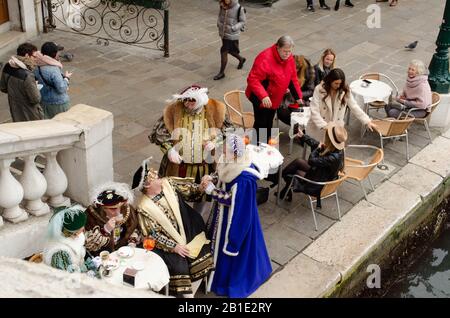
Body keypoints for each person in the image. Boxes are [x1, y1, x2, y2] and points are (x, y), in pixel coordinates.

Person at [132, 157, 214, 297]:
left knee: (202, 253)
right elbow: (152, 234)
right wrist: (174, 246)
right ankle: (187, 296)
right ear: (147, 185)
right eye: (156, 177)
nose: (160, 177)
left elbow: (190, 191)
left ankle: (192, 293)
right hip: (166, 244)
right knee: (180, 266)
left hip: (188, 226)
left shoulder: (168, 182)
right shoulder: (143, 207)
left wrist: (201, 187)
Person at [202, 134, 272, 298]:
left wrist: (212, 190)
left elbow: (234, 203)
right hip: (222, 216)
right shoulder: (230, 161)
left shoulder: (244, 179)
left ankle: (226, 281)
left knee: (229, 249)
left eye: (226, 148)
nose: (223, 150)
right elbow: (222, 174)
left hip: (234, 219)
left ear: (235, 153)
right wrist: (211, 178)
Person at [149, 84, 227, 186]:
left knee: (203, 193)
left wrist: (216, 142)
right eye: (185, 100)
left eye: (192, 101)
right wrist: (169, 150)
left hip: (205, 167)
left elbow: (228, 132)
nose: (187, 104)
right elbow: (160, 135)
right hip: (180, 166)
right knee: (176, 193)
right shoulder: (173, 110)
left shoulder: (216, 110)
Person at [246, 35, 303, 142]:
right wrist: (263, 95)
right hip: (261, 97)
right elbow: (253, 79)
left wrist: (298, 96)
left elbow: (292, 78)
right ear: (278, 47)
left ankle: (264, 144)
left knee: (269, 122)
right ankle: (256, 147)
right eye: (285, 51)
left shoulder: (289, 58)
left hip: (274, 98)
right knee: (261, 123)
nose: (287, 54)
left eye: (289, 51)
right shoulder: (265, 58)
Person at [276, 123, 347, 206]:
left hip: (318, 185)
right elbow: (316, 144)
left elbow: (311, 160)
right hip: (321, 175)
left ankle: (280, 183)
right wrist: (303, 136)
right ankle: (281, 184)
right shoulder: (337, 150)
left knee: (293, 173)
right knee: (298, 161)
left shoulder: (332, 158)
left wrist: (317, 149)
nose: (325, 135)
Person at [307, 68, 377, 142]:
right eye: (336, 83)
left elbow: (354, 106)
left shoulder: (345, 90)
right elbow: (314, 110)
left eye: (340, 83)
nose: (338, 86)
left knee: (332, 151)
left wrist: (367, 121)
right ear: (330, 81)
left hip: (336, 128)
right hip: (320, 128)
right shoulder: (319, 89)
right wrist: (325, 126)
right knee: (317, 150)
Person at [84, 182, 140, 255]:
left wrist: (132, 243)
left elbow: (134, 227)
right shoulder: (91, 216)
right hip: (104, 255)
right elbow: (89, 245)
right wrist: (105, 230)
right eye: (112, 209)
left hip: (124, 252)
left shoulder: (127, 210)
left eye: (120, 207)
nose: (118, 212)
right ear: (102, 208)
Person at [43, 205, 97, 274]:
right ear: (72, 233)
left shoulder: (77, 235)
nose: (82, 231)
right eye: (80, 230)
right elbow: (65, 276)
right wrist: (86, 269)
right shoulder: (60, 253)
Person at [0, 43, 43, 122]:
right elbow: (36, 99)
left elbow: (3, 88)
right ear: (27, 56)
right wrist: (35, 88)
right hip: (30, 112)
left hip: (15, 108)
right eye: (34, 56)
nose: (36, 59)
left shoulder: (7, 66)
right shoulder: (28, 75)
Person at [34, 41, 72, 119]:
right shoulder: (53, 69)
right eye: (57, 52)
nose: (59, 53)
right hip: (58, 103)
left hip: (44, 101)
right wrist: (66, 78)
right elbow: (61, 88)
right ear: (54, 54)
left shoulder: (37, 65)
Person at [277, 54, 316, 126]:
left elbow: (310, 91)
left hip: (301, 101)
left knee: (304, 118)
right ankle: (297, 132)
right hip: (285, 102)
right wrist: (284, 92)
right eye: (293, 68)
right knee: (289, 117)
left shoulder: (308, 72)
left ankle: (299, 133)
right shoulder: (282, 71)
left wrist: (297, 95)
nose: (295, 71)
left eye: (297, 69)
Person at [214, 0, 247, 80]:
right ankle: (241, 59)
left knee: (223, 51)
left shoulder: (239, 8)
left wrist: (233, 28)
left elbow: (243, 22)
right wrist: (218, 23)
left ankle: (221, 73)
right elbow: (220, 15)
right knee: (231, 51)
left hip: (231, 35)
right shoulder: (222, 5)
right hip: (224, 33)